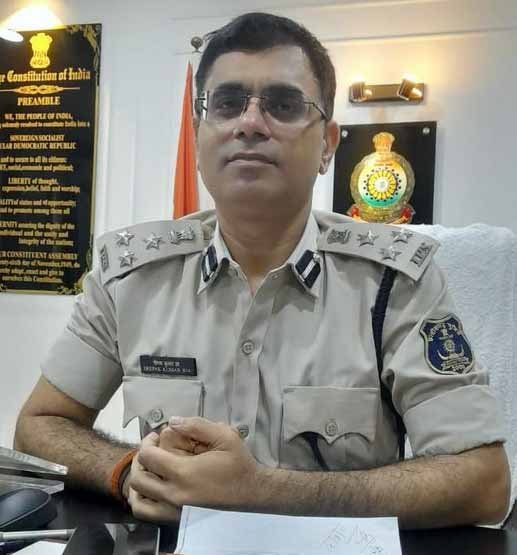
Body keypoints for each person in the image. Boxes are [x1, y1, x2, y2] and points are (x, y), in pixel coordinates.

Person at [14, 12, 509, 529]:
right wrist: (126, 471)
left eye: (283, 104)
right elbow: (40, 424)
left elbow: (484, 482)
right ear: (200, 135)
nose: (249, 123)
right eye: (227, 103)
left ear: (327, 145)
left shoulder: (395, 281)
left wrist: (261, 492)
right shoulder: (129, 276)